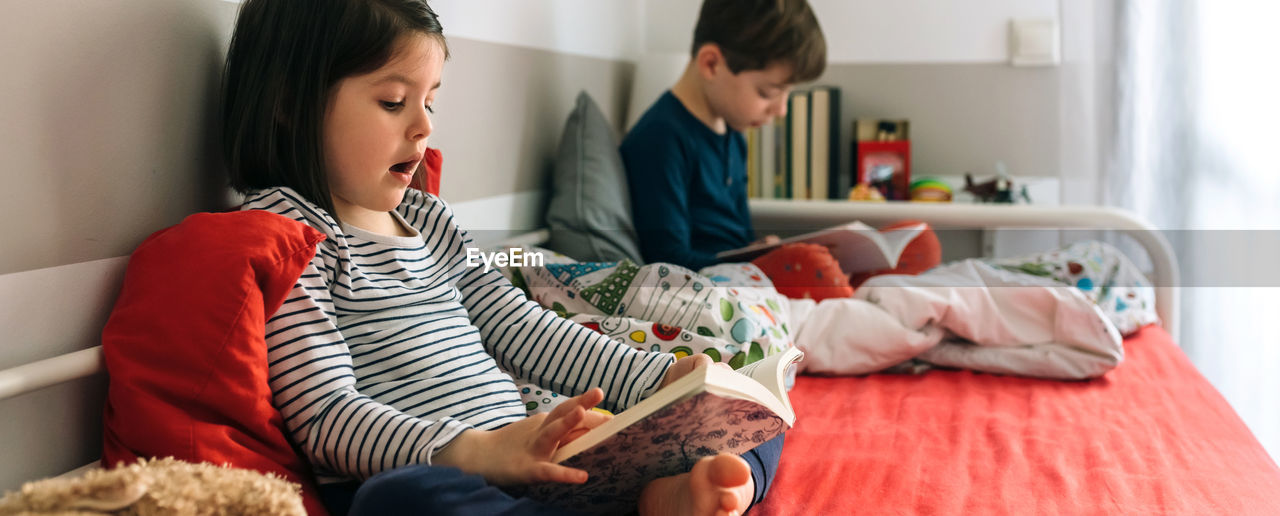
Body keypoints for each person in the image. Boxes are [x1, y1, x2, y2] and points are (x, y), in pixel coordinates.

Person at [219, 1, 781, 515]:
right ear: (292, 103)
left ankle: (693, 490)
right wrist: (480, 451)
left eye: (429, 100)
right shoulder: (290, 238)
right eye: (393, 101)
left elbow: (523, 328)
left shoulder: (429, 219)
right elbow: (326, 418)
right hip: (440, 471)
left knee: (753, 418)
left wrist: (659, 381)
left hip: (528, 454)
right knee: (402, 499)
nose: (425, 125)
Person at [621, 0, 827, 271]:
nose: (782, 110)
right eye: (768, 93)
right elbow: (668, 262)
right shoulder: (661, 139)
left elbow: (736, 238)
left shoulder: (733, 135)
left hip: (743, 283)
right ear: (711, 64)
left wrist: (760, 250)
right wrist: (761, 262)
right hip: (708, 290)